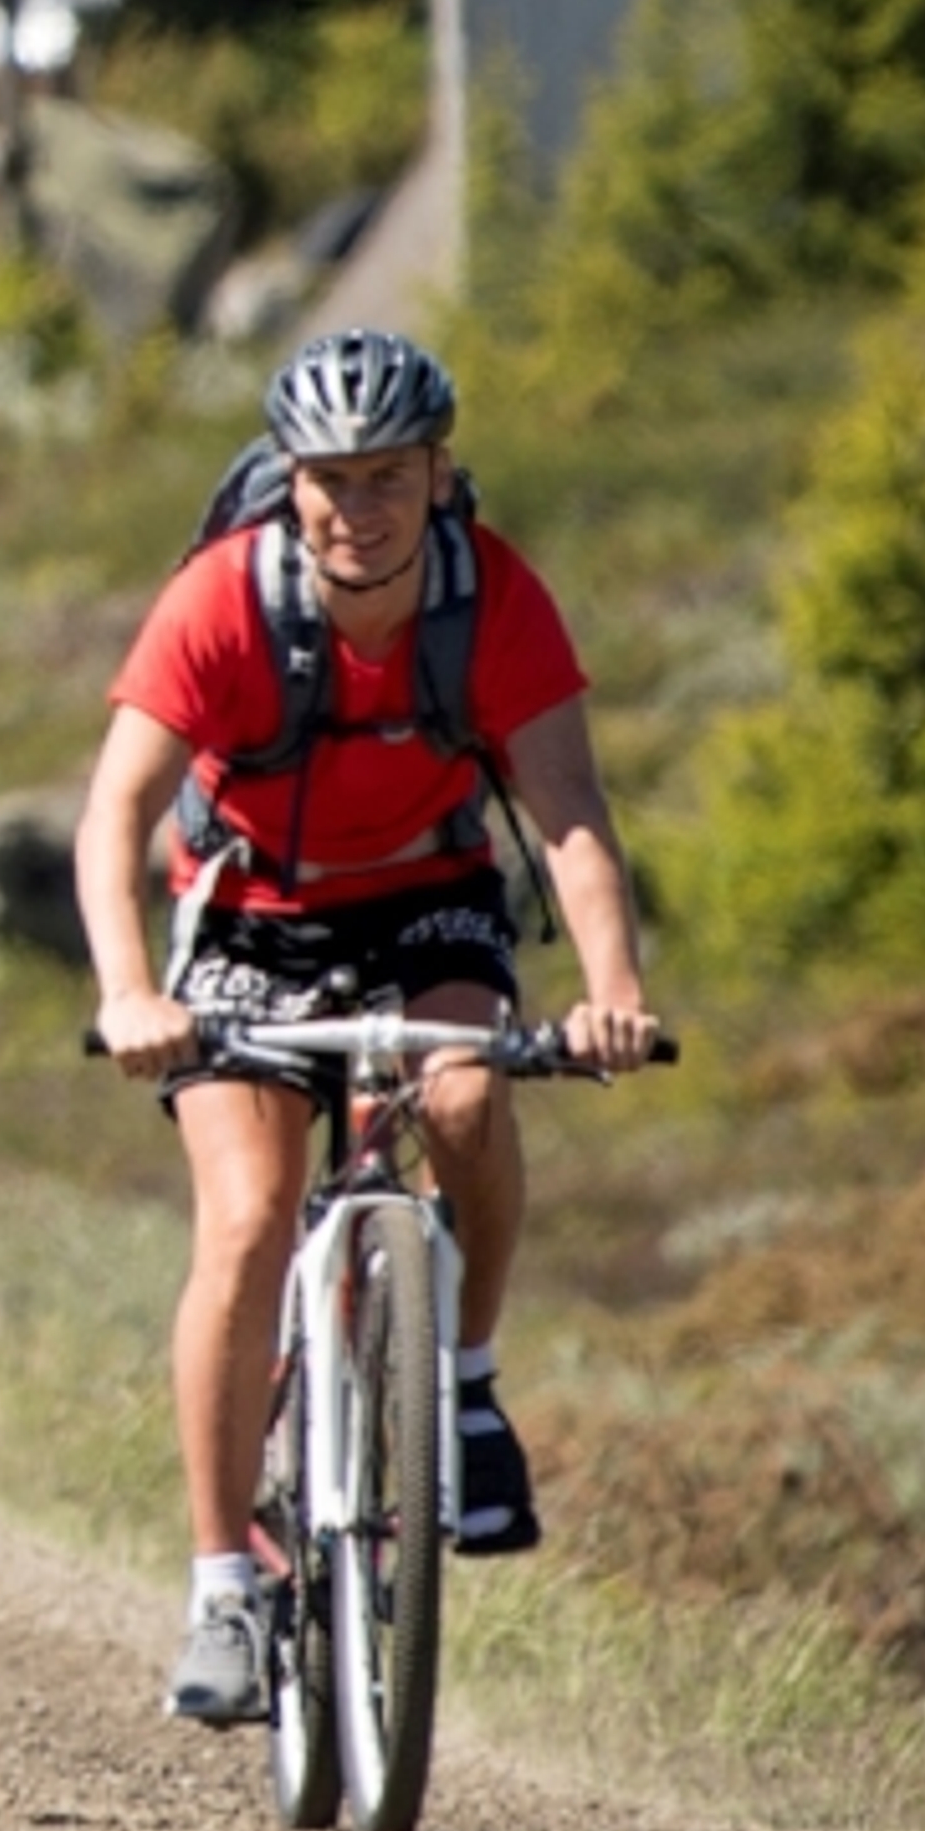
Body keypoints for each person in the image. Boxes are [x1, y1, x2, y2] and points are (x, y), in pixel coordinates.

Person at [74, 322, 661, 1727]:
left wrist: (613, 991)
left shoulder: (491, 598)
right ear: (292, 482)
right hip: (247, 919)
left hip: (427, 901)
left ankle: (462, 1381)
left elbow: (566, 810)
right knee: (247, 1216)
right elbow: (115, 812)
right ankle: (226, 1579)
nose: (358, 507)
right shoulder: (225, 600)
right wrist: (127, 994)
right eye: (330, 478)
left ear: (439, 475)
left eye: (389, 474)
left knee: (464, 1102)